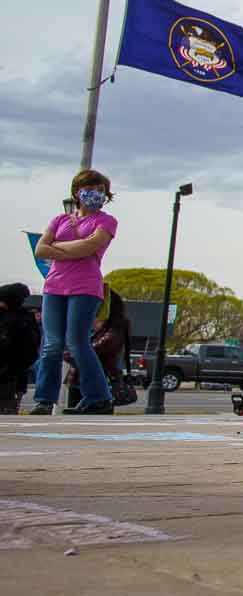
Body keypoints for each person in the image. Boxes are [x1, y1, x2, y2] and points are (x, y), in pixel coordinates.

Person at [30, 170, 119, 415]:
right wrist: (73, 249)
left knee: (77, 343)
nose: (97, 194)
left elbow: (91, 246)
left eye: (101, 191)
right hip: (54, 286)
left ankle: (99, 397)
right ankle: (44, 400)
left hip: (85, 287)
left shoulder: (106, 221)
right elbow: (40, 249)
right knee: (51, 345)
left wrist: (56, 247)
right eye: (92, 189)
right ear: (78, 192)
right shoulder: (59, 220)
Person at [66, 289, 133, 409]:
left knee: (86, 412)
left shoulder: (113, 330)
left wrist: (69, 353)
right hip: (82, 379)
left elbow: (96, 349)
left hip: (94, 380)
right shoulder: (107, 329)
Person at [0, 282, 39, 415]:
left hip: (9, 377)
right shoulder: (26, 318)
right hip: (15, 376)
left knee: (6, 410)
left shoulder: (17, 321)